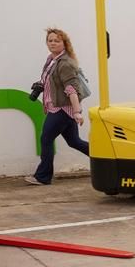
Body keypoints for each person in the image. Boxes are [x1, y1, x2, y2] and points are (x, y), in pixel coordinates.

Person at [25, 27, 90, 185]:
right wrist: (41, 85)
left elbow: (71, 88)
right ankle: (105, 157)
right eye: (50, 40)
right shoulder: (51, 60)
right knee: (74, 141)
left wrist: (77, 112)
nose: (53, 43)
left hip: (62, 109)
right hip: (58, 107)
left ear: (64, 43)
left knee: (46, 139)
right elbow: (52, 81)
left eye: (57, 41)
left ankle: (43, 176)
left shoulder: (65, 63)